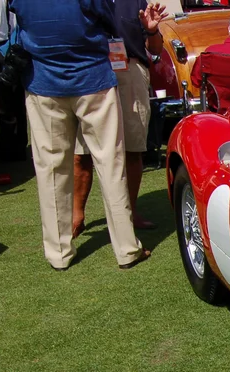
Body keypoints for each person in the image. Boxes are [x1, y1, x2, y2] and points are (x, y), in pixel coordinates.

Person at [8, 0, 150, 270]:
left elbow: (19, 18)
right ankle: (127, 249)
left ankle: (58, 253)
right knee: (111, 163)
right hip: (92, 79)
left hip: (44, 82)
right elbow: (110, 21)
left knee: (51, 168)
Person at [73, 1, 167, 239]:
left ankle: (129, 212)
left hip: (131, 72)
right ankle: (76, 216)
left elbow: (155, 49)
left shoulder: (136, 1)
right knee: (82, 151)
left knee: (133, 149)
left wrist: (152, 29)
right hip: (90, 71)